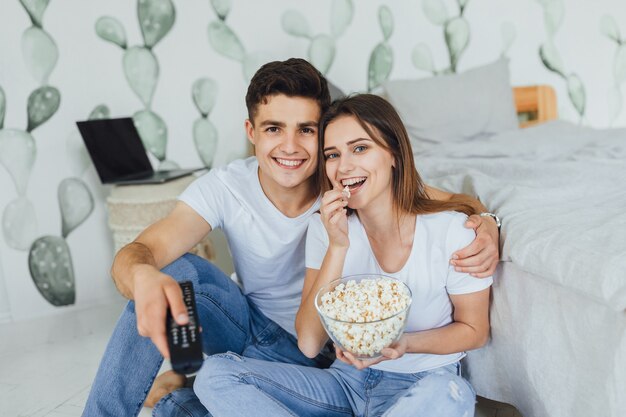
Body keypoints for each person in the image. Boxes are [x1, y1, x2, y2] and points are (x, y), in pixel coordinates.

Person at [82, 59, 499, 417]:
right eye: (273, 129)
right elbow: (139, 253)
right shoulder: (227, 187)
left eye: (306, 131)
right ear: (251, 131)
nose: (290, 147)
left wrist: (486, 221)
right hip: (260, 337)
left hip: (330, 356)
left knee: (178, 409)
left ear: (323, 134)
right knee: (171, 269)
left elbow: (438, 200)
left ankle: (190, 394)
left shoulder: (349, 183)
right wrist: (144, 278)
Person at [193, 94, 492, 417]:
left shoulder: (452, 231)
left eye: (360, 148)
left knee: (453, 394)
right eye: (332, 154)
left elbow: (474, 331)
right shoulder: (326, 229)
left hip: (422, 384)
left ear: (393, 153)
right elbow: (309, 342)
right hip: (345, 384)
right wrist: (337, 246)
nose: (345, 166)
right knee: (216, 375)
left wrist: (405, 344)